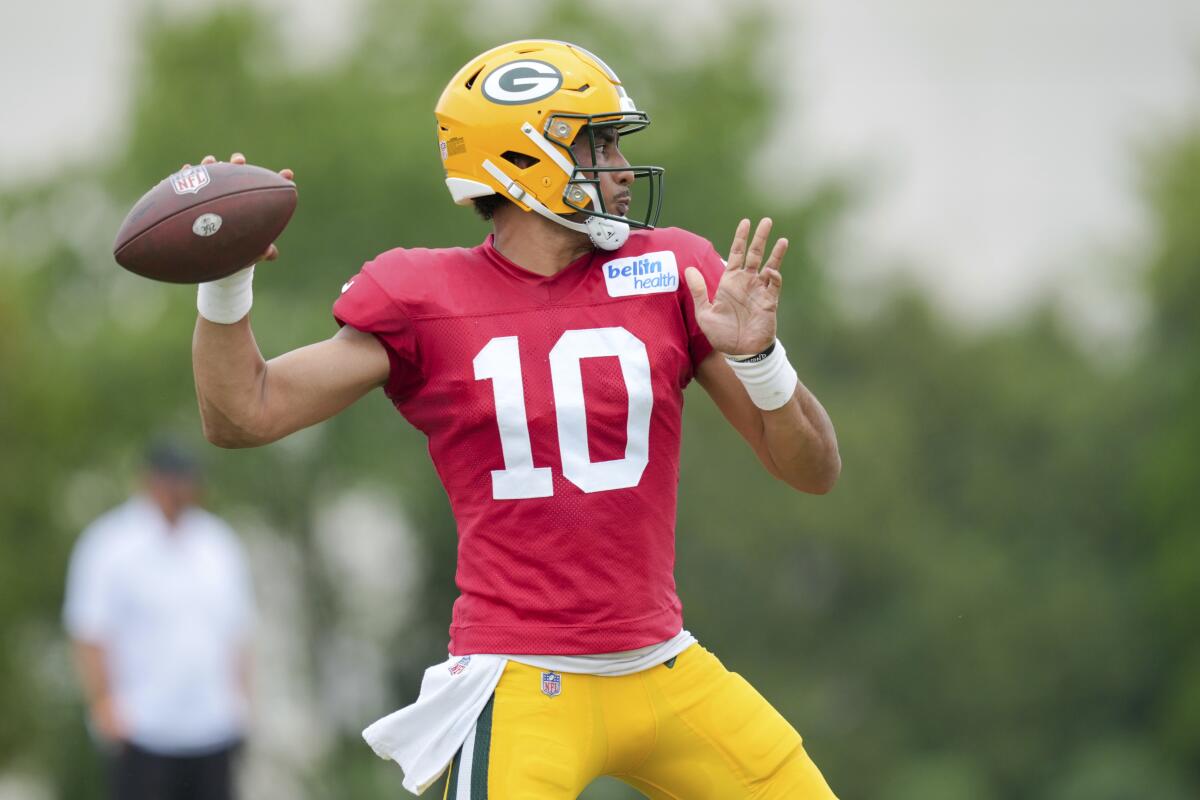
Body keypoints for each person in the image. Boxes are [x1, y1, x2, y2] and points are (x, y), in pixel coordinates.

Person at [191, 39, 841, 798]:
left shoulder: (671, 270)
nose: (622, 169)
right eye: (595, 143)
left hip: (663, 663)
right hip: (522, 677)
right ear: (522, 159)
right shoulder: (422, 297)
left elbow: (813, 469)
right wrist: (224, 283)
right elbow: (244, 412)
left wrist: (763, 361)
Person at [63, 442, 254, 800]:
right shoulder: (110, 545)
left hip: (211, 726)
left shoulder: (218, 544)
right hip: (144, 728)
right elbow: (89, 632)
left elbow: (237, 633)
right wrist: (104, 706)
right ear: (151, 481)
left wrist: (240, 703)